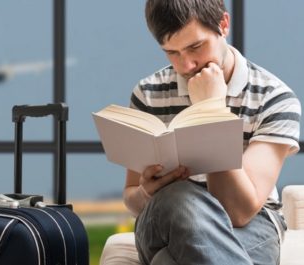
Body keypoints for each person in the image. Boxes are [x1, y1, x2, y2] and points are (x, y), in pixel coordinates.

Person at [123, 0, 301, 264]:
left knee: (167, 260)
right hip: (163, 219)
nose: (187, 65)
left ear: (224, 25)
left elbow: (239, 210)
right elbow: (131, 197)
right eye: (172, 52)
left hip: (251, 224)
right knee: (179, 196)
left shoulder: (275, 99)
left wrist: (211, 110)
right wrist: (146, 193)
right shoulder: (148, 95)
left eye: (195, 46)